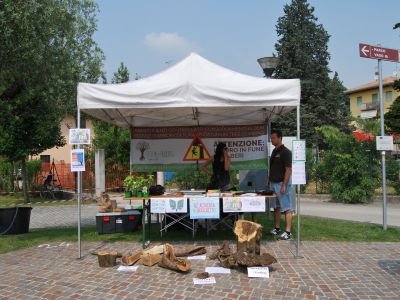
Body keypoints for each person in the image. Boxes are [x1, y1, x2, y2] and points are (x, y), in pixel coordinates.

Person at [267, 129, 293, 240]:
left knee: (287, 208)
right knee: (276, 207)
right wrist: (268, 179)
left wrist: (284, 185)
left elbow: (288, 169)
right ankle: (277, 229)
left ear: (280, 138)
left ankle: (288, 232)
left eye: (273, 138)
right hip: (273, 184)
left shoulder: (286, 152)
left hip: (282, 184)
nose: (271, 140)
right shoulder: (274, 151)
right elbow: (271, 167)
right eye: (271, 138)